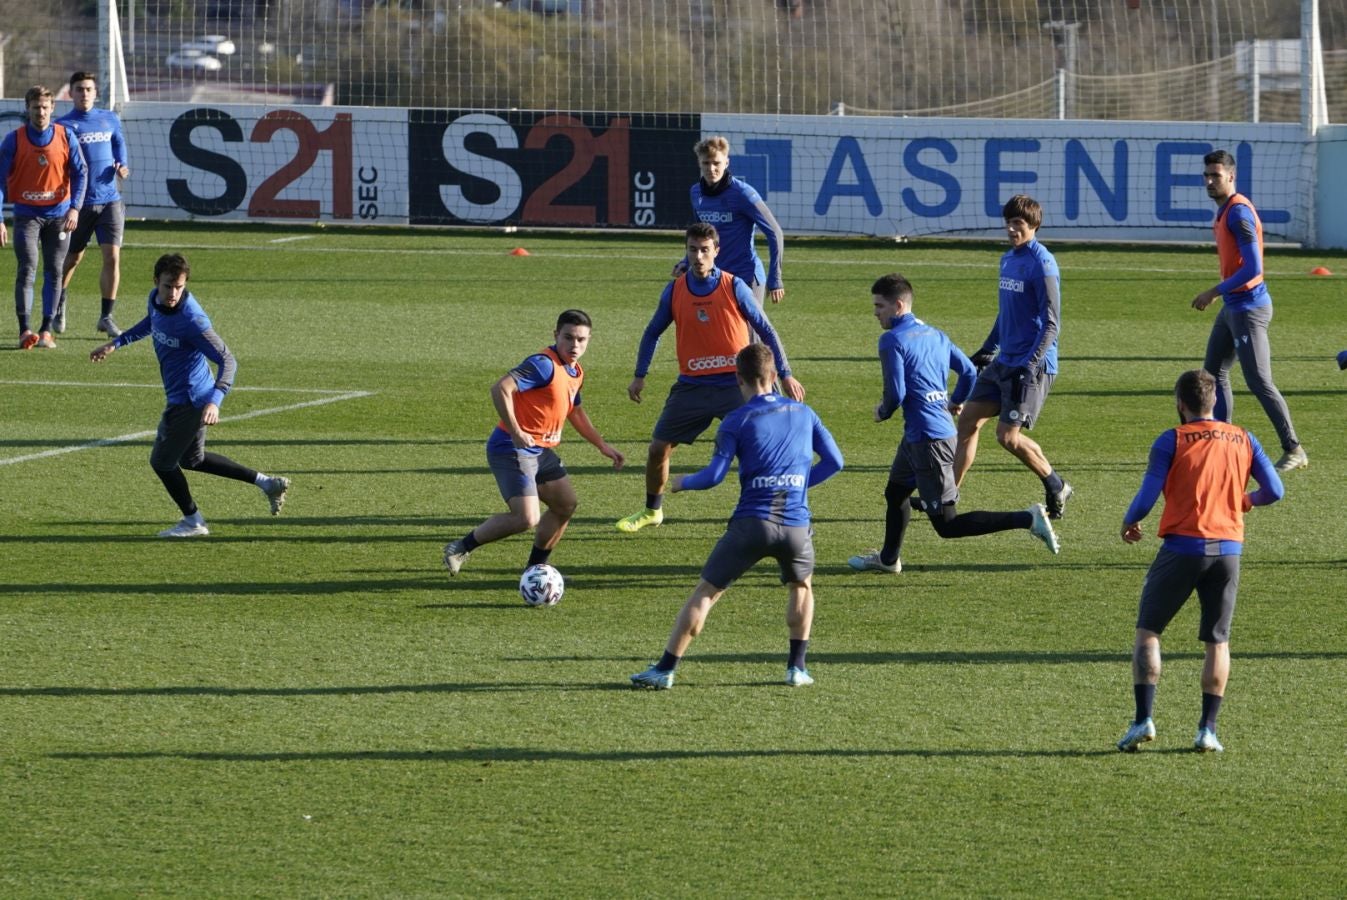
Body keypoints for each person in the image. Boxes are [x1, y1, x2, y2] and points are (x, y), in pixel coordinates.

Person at [630, 344, 843, 690]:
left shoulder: (736, 420)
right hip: (796, 525)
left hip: (751, 525)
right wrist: (797, 486)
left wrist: (684, 482)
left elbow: (714, 476)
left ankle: (665, 669)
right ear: (773, 376)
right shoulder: (805, 413)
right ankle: (797, 668)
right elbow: (835, 462)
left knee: (707, 592)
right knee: (801, 587)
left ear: (738, 379)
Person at [1116, 369, 1283, 754]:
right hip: (1228, 551)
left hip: (1182, 548)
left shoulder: (1171, 439)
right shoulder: (1244, 437)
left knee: (1149, 631)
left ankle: (1143, 720)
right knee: (1217, 641)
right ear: (1214, 402)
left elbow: (1147, 496)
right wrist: (1245, 501)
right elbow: (1275, 490)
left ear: (1180, 403)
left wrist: (1129, 521)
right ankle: (1207, 730)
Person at [847, 273, 1059, 575]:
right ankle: (888, 559)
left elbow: (895, 395)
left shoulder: (891, 340)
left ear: (898, 306)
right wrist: (955, 401)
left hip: (928, 441)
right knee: (895, 494)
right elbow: (969, 371)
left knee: (948, 524)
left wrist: (883, 411)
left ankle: (1028, 519)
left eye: (879, 306)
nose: (875, 313)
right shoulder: (935, 334)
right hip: (922, 435)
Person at [616, 222, 804, 533]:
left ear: (716, 251)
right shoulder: (675, 290)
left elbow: (766, 330)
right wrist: (640, 375)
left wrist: (785, 374)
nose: (699, 256)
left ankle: (768, 511)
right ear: (686, 251)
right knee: (658, 448)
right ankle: (652, 511)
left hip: (737, 386)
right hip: (692, 386)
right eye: (693, 250)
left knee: (761, 450)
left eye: (705, 250)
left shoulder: (734, 286)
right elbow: (652, 332)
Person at [89, 253, 291, 537]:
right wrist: (117, 343)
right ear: (156, 281)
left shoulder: (192, 320)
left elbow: (228, 360)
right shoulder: (155, 300)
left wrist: (215, 402)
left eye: (179, 287)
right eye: (168, 286)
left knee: (162, 462)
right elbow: (152, 321)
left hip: (190, 400)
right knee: (192, 460)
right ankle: (267, 483)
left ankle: (193, 521)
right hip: (186, 396)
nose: (173, 294)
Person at [443, 309, 625, 577]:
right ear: (556, 335)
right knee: (526, 518)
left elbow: (575, 411)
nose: (575, 345)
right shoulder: (543, 364)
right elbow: (501, 388)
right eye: (568, 338)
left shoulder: (575, 371)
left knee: (565, 504)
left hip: (540, 450)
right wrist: (516, 431)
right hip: (512, 447)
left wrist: (602, 445)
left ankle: (536, 569)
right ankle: (460, 547)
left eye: (581, 340)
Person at [953, 194, 1072, 519]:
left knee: (1007, 437)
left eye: (1017, 223)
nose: (1010, 228)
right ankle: (948, 497)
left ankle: (1056, 484)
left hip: (1032, 365)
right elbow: (1006, 313)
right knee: (967, 422)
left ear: (1034, 225)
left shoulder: (1042, 264)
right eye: (1007, 222)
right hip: (1004, 361)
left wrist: (1029, 365)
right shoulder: (1008, 259)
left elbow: (1052, 324)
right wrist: (988, 347)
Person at [1192, 148, 1308, 473]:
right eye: (1207, 176)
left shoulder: (1238, 213)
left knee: (1259, 381)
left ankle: (1294, 448)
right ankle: (1220, 443)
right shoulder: (1225, 210)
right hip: (1234, 306)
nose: (1210, 181)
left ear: (1231, 176)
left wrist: (1215, 291)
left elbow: (1254, 268)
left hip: (1248, 308)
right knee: (1213, 374)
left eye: (1216, 176)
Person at [0, 85, 88, 350]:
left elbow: (81, 172)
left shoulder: (66, 136)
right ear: (27, 109)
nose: (41, 112)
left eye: (45, 107)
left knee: (54, 270)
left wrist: (75, 208)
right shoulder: (13, 140)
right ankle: (25, 330)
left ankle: (46, 330)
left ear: (53, 108)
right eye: (36, 107)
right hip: (27, 216)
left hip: (59, 216)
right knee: (27, 267)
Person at [56, 70, 131, 338]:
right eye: (79, 89)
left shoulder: (109, 118)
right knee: (73, 258)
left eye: (88, 89)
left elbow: (119, 144)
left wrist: (122, 165)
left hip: (110, 200)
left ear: (95, 93)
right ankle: (58, 302)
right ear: (71, 93)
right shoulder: (62, 126)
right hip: (79, 204)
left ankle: (106, 317)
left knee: (112, 257)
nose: (84, 93)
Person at [673, 135, 787, 308]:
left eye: (716, 163)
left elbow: (775, 232)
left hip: (746, 277)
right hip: (716, 277)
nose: (711, 168)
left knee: (748, 327)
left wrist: (775, 277)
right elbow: (700, 236)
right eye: (706, 163)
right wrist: (686, 262)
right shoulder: (695, 193)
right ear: (699, 163)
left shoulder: (743, 194)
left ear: (726, 163)